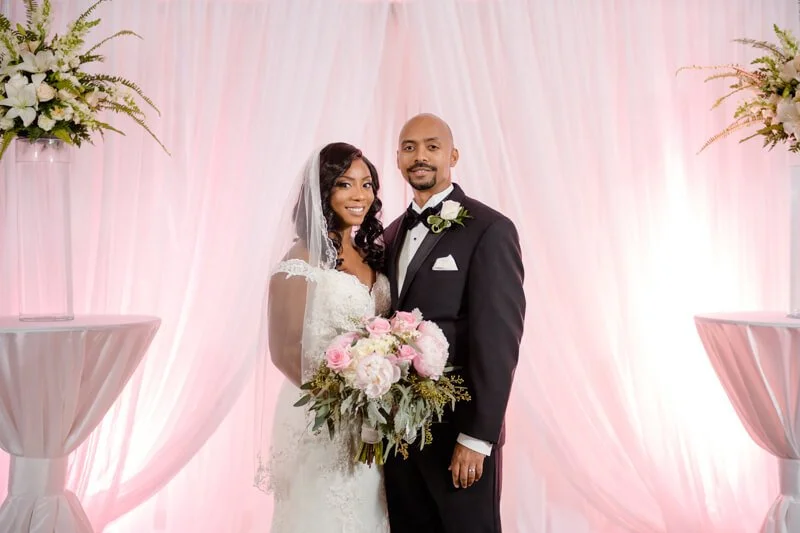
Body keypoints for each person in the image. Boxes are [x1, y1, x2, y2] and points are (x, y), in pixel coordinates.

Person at [382, 114, 526, 533]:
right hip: (399, 437)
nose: (420, 156)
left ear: (453, 155)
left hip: (458, 435)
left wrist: (478, 437)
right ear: (397, 157)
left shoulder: (490, 229)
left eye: (432, 146)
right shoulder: (388, 236)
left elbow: (499, 341)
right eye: (409, 147)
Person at [253, 142, 391, 532]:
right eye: (346, 184)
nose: (359, 195)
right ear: (323, 190)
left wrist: (377, 398)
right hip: (322, 417)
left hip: (370, 418)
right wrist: (345, 402)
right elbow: (284, 351)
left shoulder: (369, 253)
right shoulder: (301, 260)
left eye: (367, 184)